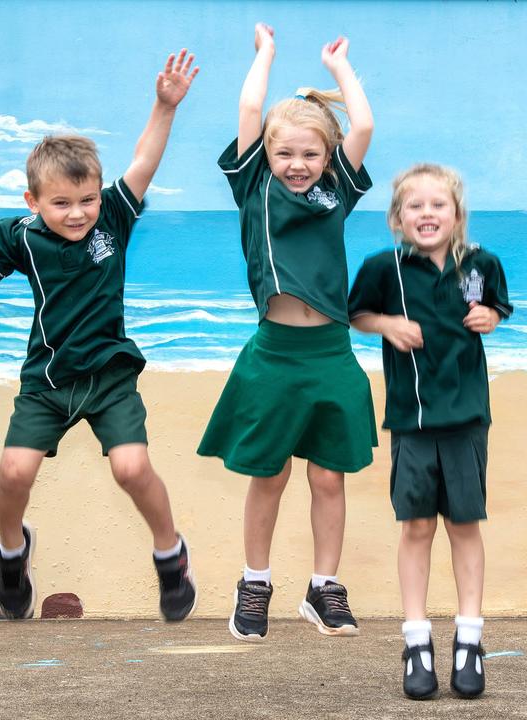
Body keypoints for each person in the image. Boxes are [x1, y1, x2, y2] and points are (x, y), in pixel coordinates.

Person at [0, 51, 199, 622]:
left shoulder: (113, 220)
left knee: (131, 469)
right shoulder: (23, 235)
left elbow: (144, 160)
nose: (78, 213)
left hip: (109, 376)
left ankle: (170, 553)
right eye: (62, 203)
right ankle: (12, 553)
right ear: (33, 202)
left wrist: (163, 105)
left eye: (87, 200)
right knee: (13, 473)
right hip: (48, 380)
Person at [198, 23, 376, 642]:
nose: (297, 165)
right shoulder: (254, 187)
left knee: (329, 476)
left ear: (326, 159)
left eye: (309, 154)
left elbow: (363, 128)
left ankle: (324, 588)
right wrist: (265, 54)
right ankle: (255, 583)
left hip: (331, 353)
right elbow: (252, 107)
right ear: (267, 156)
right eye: (285, 154)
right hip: (274, 354)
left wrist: (341, 71)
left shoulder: (337, 193)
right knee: (268, 474)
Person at [349, 163, 511, 699]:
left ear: (457, 214)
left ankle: (470, 639)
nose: (426, 214)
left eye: (437, 205)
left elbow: (496, 308)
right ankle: (416, 641)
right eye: (414, 206)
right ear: (398, 217)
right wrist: (386, 324)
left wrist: (489, 316)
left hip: (467, 419)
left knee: (465, 526)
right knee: (417, 527)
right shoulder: (383, 268)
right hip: (412, 421)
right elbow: (356, 314)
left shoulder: (481, 262)